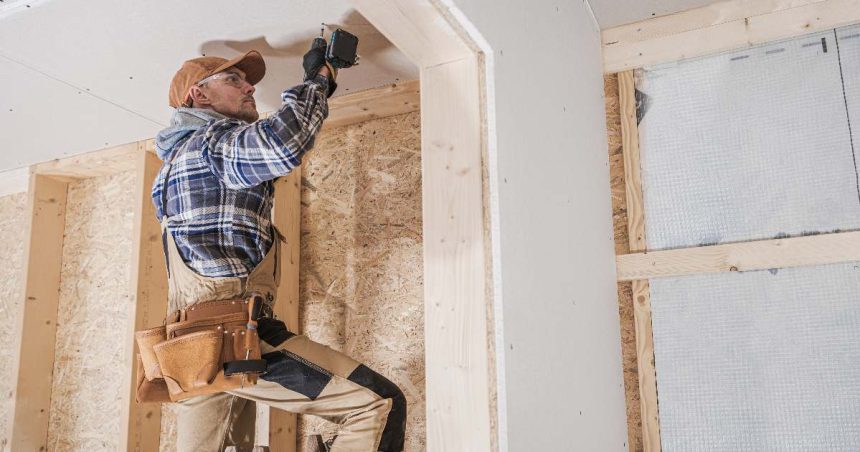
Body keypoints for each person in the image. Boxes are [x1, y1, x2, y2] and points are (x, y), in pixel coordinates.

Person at [151, 44, 406, 452]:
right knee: (376, 404)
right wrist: (318, 80)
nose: (249, 87)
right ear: (199, 96)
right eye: (233, 80)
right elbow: (282, 144)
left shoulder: (175, 164)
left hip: (193, 349)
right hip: (230, 334)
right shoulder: (209, 145)